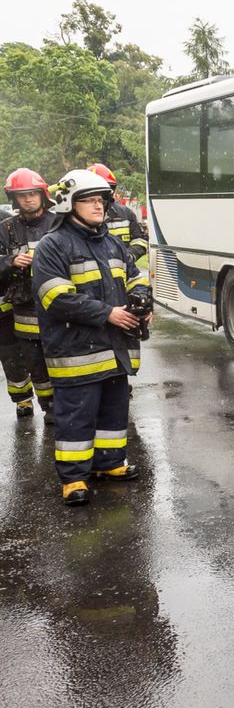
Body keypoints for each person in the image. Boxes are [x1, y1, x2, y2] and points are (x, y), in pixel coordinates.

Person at [32, 170, 149, 506]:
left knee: (114, 411)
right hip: (76, 350)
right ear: (70, 204)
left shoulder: (111, 241)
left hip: (115, 349)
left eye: (102, 200)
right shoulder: (53, 246)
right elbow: (56, 297)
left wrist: (142, 303)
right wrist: (108, 313)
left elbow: (134, 276)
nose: (99, 206)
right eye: (91, 200)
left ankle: (109, 464)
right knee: (77, 416)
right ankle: (74, 479)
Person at [0, 168, 57, 421]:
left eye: (33, 193)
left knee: (60, 358)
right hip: (22, 307)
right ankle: (48, 406)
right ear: (14, 199)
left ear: (43, 195)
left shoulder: (59, 223)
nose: (28, 199)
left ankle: (63, 403)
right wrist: (11, 261)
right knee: (34, 361)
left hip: (58, 305)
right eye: (21, 195)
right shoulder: (6, 229)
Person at [86, 163, 148, 274]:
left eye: (106, 188)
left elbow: (141, 241)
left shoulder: (126, 214)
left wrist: (128, 257)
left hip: (123, 274)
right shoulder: (79, 218)